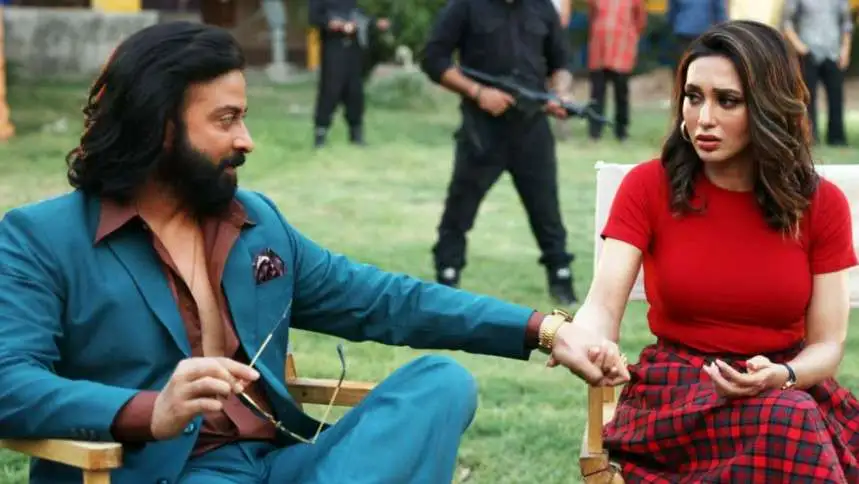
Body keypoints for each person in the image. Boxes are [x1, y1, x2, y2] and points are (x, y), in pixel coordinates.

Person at [0, 22, 622, 484]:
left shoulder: (255, 223)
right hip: (164, 472)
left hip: (280, 465)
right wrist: (149, 411)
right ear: (159, 127)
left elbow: (388, 302)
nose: (247, 139)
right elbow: (9, 384)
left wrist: (543, 329)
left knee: (440, 385)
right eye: (226, 120)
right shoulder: (40, 238)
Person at [571, 20, 859, 481]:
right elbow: (602, 305)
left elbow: (827, 345)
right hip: (677, 392)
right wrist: (591, 341)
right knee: (791, 422)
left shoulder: (822, 205)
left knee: (789, 415)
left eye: (727, 101)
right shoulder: (648, 187)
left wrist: (783, 375)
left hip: (787, 384)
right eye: (693, 96)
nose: (703, 118)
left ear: (768, 106)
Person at [420, 0, 579, 306]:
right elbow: (433, 59)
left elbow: (561, 62)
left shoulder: (542, 7)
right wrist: (478, 92)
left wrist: (559, 92)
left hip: (532, 127)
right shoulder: (465, 6)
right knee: (460, 209)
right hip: (482, 130)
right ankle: (447, 277)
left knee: (546, 209)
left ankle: (562, 281)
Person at [308, 0, 389, 148]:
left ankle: (356, 134)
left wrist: (376, 24)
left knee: (354, 90)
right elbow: (314, 18)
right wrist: (335, 24)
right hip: (333, 46)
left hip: (354, 47)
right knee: (330, 89)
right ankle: (320, 134)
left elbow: (361, 16)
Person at [783, 0, 852, 146]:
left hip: (833, 53)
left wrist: (845, 49)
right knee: (806, 97)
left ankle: (837, 138)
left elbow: (846, 24)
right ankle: (809, 136)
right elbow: (787, 22)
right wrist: (800, 47)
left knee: (836, 97)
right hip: (807, 52)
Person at [585, 0, 647, 142]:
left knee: (621, 94)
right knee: (596, 94)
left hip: (622, 51)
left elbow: (640, 21)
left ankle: (621, 132)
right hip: (599, 51)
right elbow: (592, 15)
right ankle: (594, 133)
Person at [667, 0, 727, 76]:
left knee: (682, 63)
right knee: (703, 63)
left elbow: (672, 13)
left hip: (683, 31)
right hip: (703, 32)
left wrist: (674, 25)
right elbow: (719, 13)